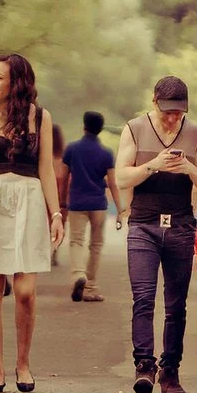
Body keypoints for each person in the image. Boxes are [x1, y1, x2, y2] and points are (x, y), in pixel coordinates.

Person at [0, 53, 63, 392]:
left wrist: (56, 213)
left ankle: (23, 363)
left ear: (15, 82)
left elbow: (46, 169)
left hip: (29, 201)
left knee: (25, 292)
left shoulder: (39, 116)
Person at [113, 74, 197, 393]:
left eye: (178, 113)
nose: (172, 119)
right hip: (143, 224)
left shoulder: (196, 133)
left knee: (176, 304)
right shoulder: (134, 128)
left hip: (181, 225)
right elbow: (121, 177)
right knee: (143, 298)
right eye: (166, 112)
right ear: (154, 102)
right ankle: (144, 365)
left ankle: (171, 370)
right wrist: (154, 164)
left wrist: (189, 169)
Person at [61, 111, 115, 302]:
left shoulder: (72, 149)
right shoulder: (106, 153)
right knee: (96, 245)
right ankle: (90, 286)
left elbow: (63, 177)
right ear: (100, 129)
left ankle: (78, 275)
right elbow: (113, 182)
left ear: (84, 125)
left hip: (77, 203)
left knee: (76, 241)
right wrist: (121, 208)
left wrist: (62, 202)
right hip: (99, 204)